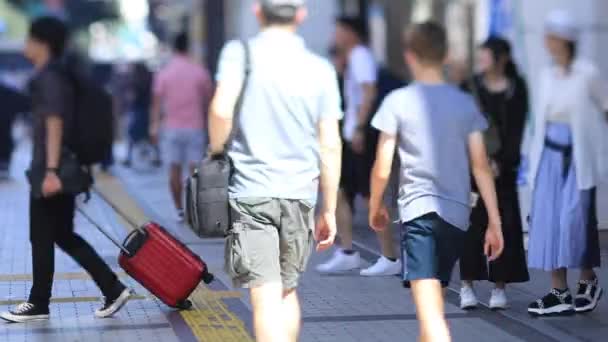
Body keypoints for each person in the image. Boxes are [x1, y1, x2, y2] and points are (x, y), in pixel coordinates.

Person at [209, 1, 342, 341]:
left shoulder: (239, 54)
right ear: (301, 15)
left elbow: (222, 109)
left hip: (251, 192)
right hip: (299, 194)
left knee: (264, 295)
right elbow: (329, 142)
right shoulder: (320, 68)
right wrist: (328, 208)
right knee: (287, 291)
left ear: (258, 12)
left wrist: (216, 150)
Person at [369, 22, 504, 342]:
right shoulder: (464, 104)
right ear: (445, 55)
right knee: (433, 304)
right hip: (457, 216)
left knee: (432, 318)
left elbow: (382, 166)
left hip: (418, 213)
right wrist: (495, 223)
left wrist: (376, 205)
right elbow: (481, 166)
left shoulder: (397, 101)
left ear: (409, 56)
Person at [0, 16, 130, 324]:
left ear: (43, 43)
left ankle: (39, 302)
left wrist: (51, 170)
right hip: (59, 167)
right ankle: (110, 288)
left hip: (54, 168)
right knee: (59, 234)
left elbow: (55, 121)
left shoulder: (50, 78)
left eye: (30, 39)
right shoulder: (58, 74)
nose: (26, 45)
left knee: (44, 235)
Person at [526, 10, 608, 317]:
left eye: (552, 35)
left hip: (578, 157)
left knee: (575, 221)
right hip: (548, 154)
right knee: (548, 221)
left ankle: (588, 280)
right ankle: (558, 289)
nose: (546, 41)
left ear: (565, 39)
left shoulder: (586, 73)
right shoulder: (546, 75)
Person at [316, 16, 401, 277]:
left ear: (352, 33)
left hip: (360, 135)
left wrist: (362, 128)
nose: (335, 35)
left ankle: (389, 256)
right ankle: (347, 251)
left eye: (340, 30)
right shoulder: (352, 57)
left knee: (370, 195)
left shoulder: (361, 55)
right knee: (340, 190)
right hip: (352, 133)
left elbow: (369, 91)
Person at [459, 37, 530, 310]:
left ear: (501, 58)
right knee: (472, 225)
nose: (481, 60)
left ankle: (499, 287)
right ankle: (467, 285)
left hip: (505, 169)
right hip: (472, 168)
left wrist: (503, 160)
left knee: (506, 225)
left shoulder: (516, 87)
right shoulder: (471, 87)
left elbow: (517, 128)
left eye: (486, 55)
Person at [150, 32, 213, 222]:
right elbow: (209, 101)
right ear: (189, 48)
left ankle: (179, 209)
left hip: (171, 128)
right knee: (195, 172)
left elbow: (156, 103)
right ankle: (194, 211)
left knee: (174, 170)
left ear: (173, 48)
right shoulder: (199, 71)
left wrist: (153, 126)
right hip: (195, 127)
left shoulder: (165, 72)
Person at [124, 62, 160, 167]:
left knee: (132, 135)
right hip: (148, 111)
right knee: (151, 135)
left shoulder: (135, 81)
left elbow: (132, 97)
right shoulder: (150, 79)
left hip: (137, 111)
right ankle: (157, 157)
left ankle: (128, 158)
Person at [0, 83, 29, 179]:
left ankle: (3, 166)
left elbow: (26, 103)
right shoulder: (9, 92)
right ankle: (3, 166)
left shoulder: (8, 93)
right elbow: (26, 104)